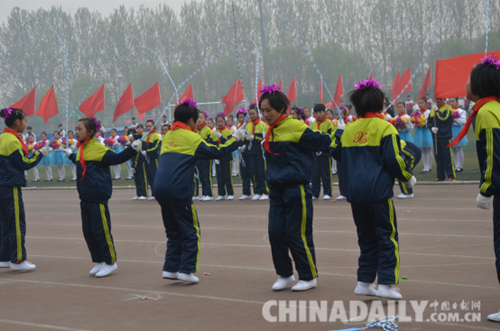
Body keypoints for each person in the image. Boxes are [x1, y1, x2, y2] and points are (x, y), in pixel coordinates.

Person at [330, 78, 415, 300]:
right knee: (387, 237)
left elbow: (336, 153)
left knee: (366, 237)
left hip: (355, 194)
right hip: (378, 193)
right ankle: (387, 283)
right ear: (380, 104)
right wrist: (406, 177)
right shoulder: (385, 127)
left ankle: (365, 281)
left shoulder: (349, 129)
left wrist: (337, 134)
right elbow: (394, 160)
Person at [152, 98, 245, 284]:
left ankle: (170, 268)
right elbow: (218, 151)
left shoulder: (168, 136)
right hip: (178, 191)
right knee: (191, 231)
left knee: (173, 231)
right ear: (191, 122)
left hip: (160, 190)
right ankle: (186, 270)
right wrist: (236, 138)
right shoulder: (192, 138)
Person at [260, 84, 331, 291]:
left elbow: (322, 142)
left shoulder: (295, 127)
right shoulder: (270, 130)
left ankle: (308, 276)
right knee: (275, 232)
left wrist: (338, 137)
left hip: (295, 189)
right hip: (276, 190)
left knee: (296, 233)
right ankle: (285, 274)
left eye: (268, 111)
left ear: (281, 108)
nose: (265, 115)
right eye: (262, 111)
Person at [449, 55, 500, 322]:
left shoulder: (488, 114)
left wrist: (487, 188)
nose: (465, 84)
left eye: (468, 79)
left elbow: (494, 154)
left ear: (478, 85)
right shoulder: (492, 109)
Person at [64, 117, 141, 277]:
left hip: (97, 197)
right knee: (88, 231)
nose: (76, 132)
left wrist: (132, 149)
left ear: (91, 132)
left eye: (80, 129)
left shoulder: (98, 149)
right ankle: (100, 261)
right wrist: (71, 155)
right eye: (76, 129)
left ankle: (110, 262)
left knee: (101, 231)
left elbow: (117, 158)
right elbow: (80, 161)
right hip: (85, 198)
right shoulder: (83, 149)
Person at [0, 107, 49, 271]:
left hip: (3, 184)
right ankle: (18, 260)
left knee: (5, 223)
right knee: (16, 223)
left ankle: (6, 257)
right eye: (25, 121)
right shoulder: (12, 140)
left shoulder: (4, 137)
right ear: (18, 122)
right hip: (9, 185)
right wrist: (40, 153)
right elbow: (24, 163)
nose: (26, 124)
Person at [244, 104, 269, 200]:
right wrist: (244, 144)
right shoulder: (248, 126)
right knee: (254, 172)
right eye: (250, 114)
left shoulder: (263, 125)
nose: (251, 115)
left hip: (260, 153)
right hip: (251, 152)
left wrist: (255, 138)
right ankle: (257, 191)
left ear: (258, 113)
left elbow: (265, 138)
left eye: (253, 113)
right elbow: (245, 139)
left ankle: (265, 192)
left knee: (262, 172)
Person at [427, 97, 456, 181]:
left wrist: (437, 111)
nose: (438, 100)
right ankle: (440, 175)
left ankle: (451, 175)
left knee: (447, 157)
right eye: (437, 99)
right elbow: (428, 122)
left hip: (445, 136)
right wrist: (431, 128)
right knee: (438, 157)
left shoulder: (448, 108)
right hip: (436, 136)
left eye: (440, 99)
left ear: (444, 99)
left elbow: (444, 118)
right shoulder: (433, 109)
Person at [311, 104, 334, 200]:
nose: (318, 114)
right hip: (315, 152)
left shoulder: (329, 123)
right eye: (316, 113)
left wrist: (320, 135)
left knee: (326, 173)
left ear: (324, 112)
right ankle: (315, 193)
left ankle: (327, 192)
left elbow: (330, 136)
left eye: (320, 112)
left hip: (325, 152)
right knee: (315, 173)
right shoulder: (313, 124)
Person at [212, 113, 235, 201]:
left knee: (227, 175)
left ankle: (230, 193)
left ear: (224, 122)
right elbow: (212, 143)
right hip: (218, 157)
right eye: (218, 122)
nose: (220, 123)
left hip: (226, 157)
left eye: (221, 121)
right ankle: (221, 194)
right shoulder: (214, 133)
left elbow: (229, 143)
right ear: (216, 123)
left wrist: (222, 138)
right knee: (219, 176)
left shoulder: (228, 131)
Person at [196, 111, 214, 201]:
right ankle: (204, 193)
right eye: (198, 118)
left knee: (207, 175)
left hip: (206, 156)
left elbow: (211, 142)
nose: (199, 119)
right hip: (198, 156)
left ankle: (209, 193)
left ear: (205, 119)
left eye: (201, 118)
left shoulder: (207, 130)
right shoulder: (195, 130)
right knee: (201, 175)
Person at [412, 97, 434, 173]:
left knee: (428, 149)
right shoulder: (417, 113)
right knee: (423, 150)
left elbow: (430, 122)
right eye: (419, 103)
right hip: (419, 132)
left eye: (422, 103)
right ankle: (425, 166)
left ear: (426, 103)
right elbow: (414, 123)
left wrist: (424, 123)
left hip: (426, 131)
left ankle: (429, 166)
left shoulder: (429, 112)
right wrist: (416, 123)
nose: (420, 105)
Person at [236, 108, 252, 200]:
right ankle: (246, 193)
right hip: (241, 153)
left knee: (251, 172)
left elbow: (249, 137)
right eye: (239, 117)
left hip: (248, 152)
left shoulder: (249, 126)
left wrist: (245, 145)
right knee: (244, 173)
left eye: (243, 117)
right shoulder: (238, 127)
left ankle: (258, 191)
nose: (241, 119)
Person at [143, 119, 161, 201]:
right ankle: (153, 193)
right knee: (149, 176)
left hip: (154, 159)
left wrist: (147, 152)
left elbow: (156, 148)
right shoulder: (145, 135)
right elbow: (141, 145)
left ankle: (157, 193)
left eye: (150, 126)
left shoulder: (156, 136)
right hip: (146, 159)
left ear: (153, 126)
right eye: (147, 126)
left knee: (155, 176)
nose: (148, 127)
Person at [449, 97, 468, 172]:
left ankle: (460, 166)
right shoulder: (448, 111)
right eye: (450, 101)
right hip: (450, 130)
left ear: (457, 102)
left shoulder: (461, 111)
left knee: (459, 148)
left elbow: (463, 121)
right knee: (453, 149)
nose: (451, 103)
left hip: (457, 130)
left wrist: (454, 118)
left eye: (453, 101)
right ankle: (456, 166)